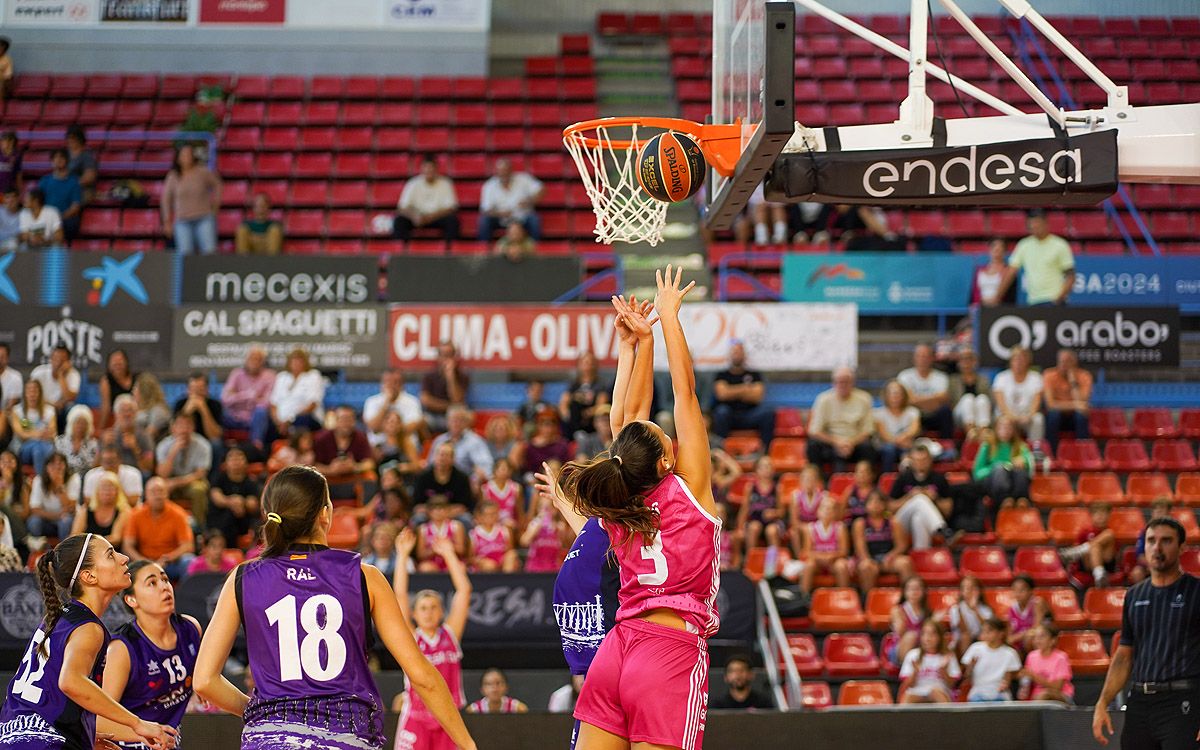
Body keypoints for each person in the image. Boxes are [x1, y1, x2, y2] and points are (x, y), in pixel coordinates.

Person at [551, 266, 720, 750]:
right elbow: (684, 394)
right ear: (667, 458)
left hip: (616, 650)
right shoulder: (689, 490)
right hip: (668, 653)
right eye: (667, 436)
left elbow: (626, 419)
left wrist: (638, 345)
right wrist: (668, 319)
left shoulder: (620, 492)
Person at [194, 466, 475, 750]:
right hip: (346, 738)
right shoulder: (365, 576)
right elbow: (422, 677)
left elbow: (204, 680)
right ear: (325, 514)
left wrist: (262, 714)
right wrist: (469, 745)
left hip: (269, 738)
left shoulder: (243, 577)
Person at [0, 533, 176, 749]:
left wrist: (87, 733)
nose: (124, 558)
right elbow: (71, 682)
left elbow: (48, 692)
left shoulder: (58, 618)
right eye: (111, 555)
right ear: (89, 576)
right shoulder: (89, 628)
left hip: (12, 735)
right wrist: (137, 724)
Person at [1093, 517, 1200, 748]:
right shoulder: (1134, 595)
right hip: (1140, 702)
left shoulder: (1196, 591)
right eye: (1151, 541)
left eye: (1166, 541)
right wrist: (1103, 702)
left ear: (1182, 547)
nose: (1157, 547)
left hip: (1182, 701)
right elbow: (1123, 656)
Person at [98, 560, 202, 747]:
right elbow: (98, 720)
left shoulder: (191, 628)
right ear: (132, 600)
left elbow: (206, 680)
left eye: (165, 579)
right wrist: (146, 733)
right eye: (152, 583)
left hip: (166, 741)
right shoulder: (122, 649)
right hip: (130, 742)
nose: (164, 587)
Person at [392, 521, 473, 750]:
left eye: (433, 607)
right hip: (416, 717)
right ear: (415, 614)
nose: (428, 612)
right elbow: (399, 595)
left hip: (449, 717)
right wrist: (403, 556)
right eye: (423, 608)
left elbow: (464, 590)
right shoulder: (412, 638)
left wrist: (448, 554)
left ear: (441, 612)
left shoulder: (450, 634)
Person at [806, 366, 877, 472]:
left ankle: (867, 484)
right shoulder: (823, 399)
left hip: (855, 443)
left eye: (846, 381)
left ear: (853, 382)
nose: (842, 385)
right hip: (830, 443)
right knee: (812, 446)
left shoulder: (864, 399)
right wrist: (837, 442)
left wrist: (850, 443)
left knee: (869, 448)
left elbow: (868, 430)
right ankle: (819, 481)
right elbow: (814, 431)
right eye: (839, 381)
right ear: (833, 383)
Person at [123, 477, 194, 581]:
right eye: (153, 492)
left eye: (161, 491)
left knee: (188, 561)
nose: (158, 496)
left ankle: (185, 596)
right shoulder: (135, 515)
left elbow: (188, 546)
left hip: (170, 563)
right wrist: (144, 561)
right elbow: (127, 546)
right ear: (146, 495)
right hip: (143, 562)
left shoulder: (178, 514)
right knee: (124, 564)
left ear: (167, 494)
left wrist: (167, 558)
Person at [888, 444, 957, 550]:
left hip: (926, 522)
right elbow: (890, 508)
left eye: (924, 460)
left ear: (930, 460)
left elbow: (948, 511)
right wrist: (910, 497)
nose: (920, 463)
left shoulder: (939, 479)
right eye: (917, 460)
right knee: (920, 499)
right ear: (911, 461)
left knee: (918, 518)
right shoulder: (903, 478)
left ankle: (921, 555)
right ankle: (942, 530)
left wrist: (935, 498)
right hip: (902, 522)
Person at [1000, 209, 1075, 306]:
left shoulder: (1060, 245)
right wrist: (997, 297)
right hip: (1033, 302)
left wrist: (1058, 298)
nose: (1034, 226)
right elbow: (1011, 272)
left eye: (1037, 223)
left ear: (1046, 223)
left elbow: (1070, 276)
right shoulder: (1024, 245)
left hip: (1054, 301)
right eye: (1031, 224)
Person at [710, 341, 774, 448]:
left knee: (767, 413)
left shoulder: (754, 375)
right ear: (730, 355)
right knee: (721, 412)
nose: (737, 354)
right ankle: (720, 450)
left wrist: (731, 391)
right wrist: (746, 389)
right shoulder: (722, 375)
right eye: (735, 352)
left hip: (750, 415)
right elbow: (722, 394)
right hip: (729, 415)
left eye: (740, 352)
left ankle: (765, 451)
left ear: (744, 354)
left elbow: (758, 396)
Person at [257, 348, 325, 446]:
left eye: (300, 360)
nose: (296, 363)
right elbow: (273, 404)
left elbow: (312, 404)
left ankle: (298, 453)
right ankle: (266, 454)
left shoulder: (313, 376)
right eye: (294, 360)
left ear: (306, 362)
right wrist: (278, 421)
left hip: (304, 418)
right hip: (281, 421)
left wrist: (290, 420)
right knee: (266, 423)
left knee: (302, 421)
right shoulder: (282, 377)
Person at [161, 144, 221, 255]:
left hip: (204, 217)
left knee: (209, 252)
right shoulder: (173, 176)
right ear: (178, 158)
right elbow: (166, 200)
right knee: (185, 255)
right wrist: (166, 220)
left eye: (189, 154)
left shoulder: (202, 172)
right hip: (182, 220)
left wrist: (216, 205)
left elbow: (217, 184)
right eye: (183, 154)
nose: (186, 157)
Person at [852, 489, 913, 594]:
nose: (875, 504)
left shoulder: (893, 522)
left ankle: (906, 599)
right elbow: (860, 547)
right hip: (870, 558)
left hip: (888, 558)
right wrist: (868, 560)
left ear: (885, 505)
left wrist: (891, 555)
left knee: (905, 563)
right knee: (865, 567)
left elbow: (901, 546)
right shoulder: (860, 523)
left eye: (879, 501)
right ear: (866, 505)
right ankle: (868, 601)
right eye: (872, 501)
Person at [155, 415, 212, 525]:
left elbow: (200, 474)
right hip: (169, 482)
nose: (184, 429)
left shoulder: (203, 445)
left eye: (188, 425)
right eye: (180, 425)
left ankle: (198, 527)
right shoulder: (163, 445)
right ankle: (165, 525)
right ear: (173, 428)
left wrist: (176, 482)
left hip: (191, 481)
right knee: (159, 489)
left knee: (199, 489)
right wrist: (172, 453)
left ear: (193, 428)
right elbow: (162, 474)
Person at [973, 417, 1034, 517]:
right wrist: (994, 467)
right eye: (1002, 427)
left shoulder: (1021, 446)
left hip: (1015, 484)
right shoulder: (987, 446)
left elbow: (1031, 467)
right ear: (996, 429)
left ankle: (1022, 500)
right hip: (994, 485)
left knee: (1020, 471)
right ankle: (1004, 501)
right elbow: (977, 473)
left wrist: (1025, 462)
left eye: (1009, 427)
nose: (1005, 430)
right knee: (999, 469)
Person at [393, 155, 459, 242]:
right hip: (417, 217)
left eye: (431, 167)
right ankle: (403, 251)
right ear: (421, 169)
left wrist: (430, 217)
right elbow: (402, 207)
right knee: (399, 221)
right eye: (426, 167)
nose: (429, 170)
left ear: (436, 169)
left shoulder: (445, 183)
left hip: (437, 217)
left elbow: (451, 208)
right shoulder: (413, 183)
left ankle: (448, 251)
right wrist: (415, 216)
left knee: (452, 221)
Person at [207, 447, 261, 550]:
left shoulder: (251, 481)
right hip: (220, 520)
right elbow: (216, 497)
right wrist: (232, 502)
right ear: (225, 463)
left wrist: (242, 502)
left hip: (242, 521)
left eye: (239, 457)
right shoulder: (219, 478)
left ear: (246, 463)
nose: (236, 461)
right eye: (232, 458)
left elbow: (253, 504)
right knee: (228, 515)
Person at [897, 344, 954, 440]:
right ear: (914, 358)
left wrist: (917, 400)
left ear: (932, 358)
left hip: (935, 414)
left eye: (925, 356)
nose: (922, 359)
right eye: (919, 356)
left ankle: (947, 443)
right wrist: (933, 399)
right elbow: (907, 400)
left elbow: (943, 398)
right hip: (915, 415)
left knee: (945, 411)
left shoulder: (941, 377)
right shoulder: (905, 376)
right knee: (911, 412)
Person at [478, 157, 543, 241]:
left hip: (522, 217)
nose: (504, 173)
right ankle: (483, 249)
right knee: (484, 221)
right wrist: (499, 213)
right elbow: (485, 210)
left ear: (511, 170)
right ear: (496, 172)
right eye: (501, 171)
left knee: (534, 219)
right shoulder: (489, 185)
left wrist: (530, 201)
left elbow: (541, 189)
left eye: (506, 170)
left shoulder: (523, 179)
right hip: (500, 219)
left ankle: (536, 249)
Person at [1041, 349, 1092, 453]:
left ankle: (1083, 453)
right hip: (1056, 418)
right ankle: (1052, 453)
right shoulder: (1049, 375)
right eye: (1062, 361)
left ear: (1075, 362)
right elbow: (1050, 405)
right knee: (1054, 415)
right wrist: (1076, 405)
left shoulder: (1084, 376)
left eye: (1068, 361)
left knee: (1081, 416)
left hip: (1074, 418)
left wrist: (1073, 381)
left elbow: (1082, 403)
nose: (1065, 365)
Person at [899, 620, 961, 704]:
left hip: (940, 690)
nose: (927, 638)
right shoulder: (913, 655)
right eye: (924, 634)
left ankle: (947, 716)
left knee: (935, 693)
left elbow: (951, 685)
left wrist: (943, 671)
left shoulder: (948, 656)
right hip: (917, 691)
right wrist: (915, 672)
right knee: (908, 697)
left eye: (932, 634)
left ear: (939, 637)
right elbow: (907, 685)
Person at [992, 346, 1044, 445]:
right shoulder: (1001, 377)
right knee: (1004, 421)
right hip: (1006, 415)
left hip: (1027, 416)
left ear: (1028, 361)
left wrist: (1029, 416)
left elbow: (1036, 403)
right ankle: (1004, 449)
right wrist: (1011, 417)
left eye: (1022, 359)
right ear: (1011, 361)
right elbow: (1001, 405)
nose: (1019, 362)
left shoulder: (1035, 378)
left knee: (1038, 419)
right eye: (1016, 359)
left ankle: (1036, 448)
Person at [961, 617, 1022, 702]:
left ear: (1001, 634)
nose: (985, 634)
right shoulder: (975, 648)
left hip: (999, 694)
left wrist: (1004, 686)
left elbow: (1007, 680)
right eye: (984, 631)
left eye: (989, 631)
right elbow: (967, 677)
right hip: (978, 693)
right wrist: (971, 667)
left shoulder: (1010, 653)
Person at [798, 498, 851, 595]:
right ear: (818, 511)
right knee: (809, 565)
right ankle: (803, 596)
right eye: (824, 508)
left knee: (841, 566)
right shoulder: (810, 528)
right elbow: (806, 552)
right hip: (817, 562)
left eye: (831, 509)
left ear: (835, 513)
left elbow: (844, 551)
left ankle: (843, 596)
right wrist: (821, 557)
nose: (827, 511)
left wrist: (831, 556)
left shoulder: (840, 527)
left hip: (833, 561)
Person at [1059, 502, 1118, 589]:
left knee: (1108, 535)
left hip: (1107, 564)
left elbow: (1112, 554)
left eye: (1104, 513)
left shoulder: (1109, 532)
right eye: (1097, 514)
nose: (1100, 517)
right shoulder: (1085, 532)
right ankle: (1099, 575)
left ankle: (1082, 550)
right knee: (1095, 547)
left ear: (1109, 515)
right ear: (1092, 516)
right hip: (1087, 563)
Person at [24, 452, 79, 542]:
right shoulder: (39, 480)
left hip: (66, 520)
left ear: (66, 466)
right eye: (53, 463)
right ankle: (38, 548)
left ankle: (64, 551)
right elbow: (34, 509)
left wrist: (59, 486)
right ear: (46, 467)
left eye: (60, 463)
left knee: (66, 521)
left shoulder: (73, 478)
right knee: (33, 521)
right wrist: (57, 516)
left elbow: (71, 508)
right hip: (47, 520)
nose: (57, 467)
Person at [220, 345, 276, 434]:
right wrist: (248, 395)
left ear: (263, 362)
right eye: (252, 358)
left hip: (257, 418)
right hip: (235, 417)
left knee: (260, 412)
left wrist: (236, 396)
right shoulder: (236, 374)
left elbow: (267, 402)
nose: (255, 362)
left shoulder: (269, 376)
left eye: (258, 359)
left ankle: (256, 445)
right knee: (220, 413)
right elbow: (225, 399)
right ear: (246, 360)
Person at [430, 406, 493, 483]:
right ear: (447, 422)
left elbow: (485, 467)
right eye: (453, 420)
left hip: (465, 483)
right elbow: (430, 465)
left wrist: (474, 480)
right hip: (440, 481)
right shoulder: (439, 440)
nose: (457, 423)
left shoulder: (475, 441)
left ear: (467, 423)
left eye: (461, 420)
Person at [363, 369, 423, 450]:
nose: (391, 385)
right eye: (387, 382)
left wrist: (385, 429)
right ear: (382, 384)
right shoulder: (371, 401)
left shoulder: (412, 401)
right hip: (378, 448)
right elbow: (373, 426)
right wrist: (386, 402)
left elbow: (412, 427)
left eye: (395, 382)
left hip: (405, 446)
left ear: (402, 385)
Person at [313, 405, 376, 481]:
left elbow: (370, 463)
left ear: (354, 421)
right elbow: (312, 466)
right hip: (327, 480)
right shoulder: (321, 438)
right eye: (343, 419)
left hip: (352, 480)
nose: (346, 423)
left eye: (349, 419)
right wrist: (330, 469)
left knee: (370, 476)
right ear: (336, 420)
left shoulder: (360, 437)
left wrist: (354, 467)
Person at [70, 471, 131, 549]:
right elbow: (74, 535)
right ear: (97, 491)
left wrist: (89, 543)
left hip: (111, 551)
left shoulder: (124, 510)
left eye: (111, 488)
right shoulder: (85, 509)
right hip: (87, 551)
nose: (107, 491)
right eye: (103, 487)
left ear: (118, 491)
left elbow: (116, 539)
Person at [735, 455, 783, 555]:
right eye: (764, 466)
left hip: (772, 522)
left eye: (769, 466)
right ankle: (750, 561)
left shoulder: (777, 488)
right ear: (757, 470)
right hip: (755, 520)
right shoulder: (751, 487)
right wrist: (739, 528)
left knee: (772, 531)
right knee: (754, 528)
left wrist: (774, 513)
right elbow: (744, 509)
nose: (766, 469)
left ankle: (772, 566)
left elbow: (781, 511)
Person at [1018, 623, 1073, 704]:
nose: (1037, 640)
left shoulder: (1061, 658)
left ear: (1052, 640)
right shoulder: (1031, 656)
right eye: (1035, 637)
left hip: (1060, 696)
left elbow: (1057, 687)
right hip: (1036, 697)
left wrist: (1034, 676)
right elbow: (1027, 680)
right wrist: (1024, 689)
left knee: (1045, 695)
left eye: (1042, 637)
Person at [413, 444, 476, 515]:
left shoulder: (462, 478)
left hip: (453, 513)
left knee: (466, 519)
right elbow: (417, 505)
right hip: (429, 513)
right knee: (418, 518)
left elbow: (464, 505)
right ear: (434, 457)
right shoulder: (422, 477)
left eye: (446, 455)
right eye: (440, 455)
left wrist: (445, 513)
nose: (442, 458)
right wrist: (434, 513)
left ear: (453, 459)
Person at [559, 352, 609, 441]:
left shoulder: (600, 385)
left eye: (590, 363)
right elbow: (564, 403)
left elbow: (601, 404)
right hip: (575, 418)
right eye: (585, 362)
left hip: (591, 419)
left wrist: (587, 413)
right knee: (575, 404)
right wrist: (567, 415)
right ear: (579, 365)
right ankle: (576, 432)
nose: (588, 366)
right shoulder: (574, 385)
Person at [874, 379, 922, 473]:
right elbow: (884, 436)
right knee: (889, 449)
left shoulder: (912, 411)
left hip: (907, 445)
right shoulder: (878, 413)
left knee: (912, 449)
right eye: (892, 393)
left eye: (898, 393)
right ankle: (886, 476)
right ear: (886, 395)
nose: (895, 396)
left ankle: (908, 473)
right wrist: (899, 441)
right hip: (886, 447)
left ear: (904, 395)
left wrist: (903, 438)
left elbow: (914, 430)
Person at [420, 342, 469, 433]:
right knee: (420, 421)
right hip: (432, 416)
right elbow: (426, 400)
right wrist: (450, 406)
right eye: (444, 355)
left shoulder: (462, 377)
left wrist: (451, 377)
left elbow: (457, 399)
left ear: (455, 357)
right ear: (438, 357)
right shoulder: (429, 376)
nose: (447, 359)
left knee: (469, 417)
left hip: (454, 418)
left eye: (450, 355)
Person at [10, 379, 55, 474]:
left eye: (35, 390)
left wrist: (32, 433)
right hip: (24, 448)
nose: (32, 394)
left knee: (47, 448)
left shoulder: (50, 411)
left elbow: (52, 434)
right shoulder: (17, 411)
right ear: (25, 393)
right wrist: (40, 433)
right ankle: (41, 480)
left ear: (40, 393)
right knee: (37, 448)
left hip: (46, 445)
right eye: (29, 391)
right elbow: (21, 434)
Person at [30, 345, 79, 431]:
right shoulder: (39, 372)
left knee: (71, 408)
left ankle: (65, 438)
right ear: (51, 359)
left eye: (62, 359)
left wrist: (61, 375)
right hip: (41, 407)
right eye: (56, 358)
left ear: (68, 362)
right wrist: (52, 404)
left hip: (61, 411)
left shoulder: (74, 374)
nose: (58, 362)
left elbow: (70, 397)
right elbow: (31, 395)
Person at [37, 149, 82, 242]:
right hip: (46, 218)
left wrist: (57, 218)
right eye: (55, 158)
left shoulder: (74, 182)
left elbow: (75, 207)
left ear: (67, 161)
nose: (58, 160)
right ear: (52, 162)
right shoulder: (44, 181)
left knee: (68, 225)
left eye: (61, 157)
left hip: (65, 219)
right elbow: (37, 203)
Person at [521, 487, 569, 573]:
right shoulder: (534, 524)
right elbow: (524, 542)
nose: (545, 511)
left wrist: (560, 531)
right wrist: (535, 529)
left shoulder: (559, 527)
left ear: (555, 510)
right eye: (541, 508)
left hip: (554, 567)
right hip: (535, 567)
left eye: (548, 508)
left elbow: (565, 546)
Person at [945, 575, 994, 657]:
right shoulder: (956, 609)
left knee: (986, 636)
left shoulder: (986, 609)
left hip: (980, 639)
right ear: (962, 591)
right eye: (967, 588)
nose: (970, 591)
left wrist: (975, 610)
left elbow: (989, 628)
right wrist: (960, 611)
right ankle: (965, 665)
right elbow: (963, 630)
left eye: (973, 588)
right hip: (961, 642)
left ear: (979, 591)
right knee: (966, 636)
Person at [83, 442, 143, 508]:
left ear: (120, 460)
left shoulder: (133, 474)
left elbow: (133, 502)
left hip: (128, 511)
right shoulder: (92, 475)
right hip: (101, 511)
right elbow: (88, 502)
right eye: (105, 461)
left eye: (111, 461)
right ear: (101, 462)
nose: (109, 464)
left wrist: (114, 481)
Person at [416, 496, 468, 572]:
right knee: (424, 567)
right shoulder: (423, 529)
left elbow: (462, 550)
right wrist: (434, 550)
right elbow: (420, 554)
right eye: (434, 509)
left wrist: (447, 546)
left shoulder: (456, 526)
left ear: (448, 511)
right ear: (429, 512)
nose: (438, 512)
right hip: (433, 563)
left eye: (442, 508)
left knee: (461, 566)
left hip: (452, 561)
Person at [949, 349, 991, 438]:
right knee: (968, 398)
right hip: (960, 414)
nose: (966, 362)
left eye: (969, 359)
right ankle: (971, 433)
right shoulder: (953, 380)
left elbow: (988, 401)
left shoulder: (984, 379)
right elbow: (951, 402)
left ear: (975, 362)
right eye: (963, 359)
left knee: (982, 398)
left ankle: (983, 432)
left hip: (979, 413)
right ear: (959, 362)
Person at [172, 372, 224, 445]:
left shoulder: (215, 404)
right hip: (186, 438)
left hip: (207, 440)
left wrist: (204, 410)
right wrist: (187, 411)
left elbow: (214, 435)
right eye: (193, 389)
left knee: (216, 444)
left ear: (207, 389)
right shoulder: (180, 403)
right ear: (188, 390)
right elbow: (173, 432)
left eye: (200, 389)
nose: (196, 393)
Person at [889, 575, 929, 666]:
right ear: (905, 592)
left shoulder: (926, 612)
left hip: (921, 646)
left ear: (923, 591)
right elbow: (900, 633)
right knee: (911, 636)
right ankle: (906, 670)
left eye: (917, 589)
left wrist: (934, 621)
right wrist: (900, 621)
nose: (914, 592)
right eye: (911, 589)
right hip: (900, 648)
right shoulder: (898, 610)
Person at [522, 410, 571, 483]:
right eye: (545, 425)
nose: (548, 430)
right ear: (538, 427)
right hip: (537, 480)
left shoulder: (562, 444)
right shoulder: (531, 446)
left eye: (551, 425)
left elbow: (567, 467)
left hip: (559, 480)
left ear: (555, 427)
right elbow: (528, 469)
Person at [469, 500, 518, 573]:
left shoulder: (504, 531)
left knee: (511, 555)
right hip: (484, 566)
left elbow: (509, 550)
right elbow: (470, 558)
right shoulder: (474, 534)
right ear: (480, 516)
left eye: (494, 514)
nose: (491, 517)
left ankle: (507, 581)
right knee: (489, 566)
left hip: (502, 564)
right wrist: (482, 562)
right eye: (488, 514)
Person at [709, 655, 774, 710]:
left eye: (742, 670)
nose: (737, 675)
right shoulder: (718, 706)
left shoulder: (763, 704)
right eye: (732, 671)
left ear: (751, 675)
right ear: (726, 677)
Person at [1006, 574, 1050, 652]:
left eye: (1022, 590)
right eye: (1015, 590)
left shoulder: (1037, 603)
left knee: (1030, 638)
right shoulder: (1012, 608)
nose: (1018, 593)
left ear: (1031, 591)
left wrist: (1017, 637)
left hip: (1038, 638)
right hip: (1020, 641)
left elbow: (1037, 627)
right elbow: (1010, 632)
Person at [50, 404, 94, 477]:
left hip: (85, 478)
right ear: (71, 423)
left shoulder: (93, 444)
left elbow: (93, 467)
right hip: (64, 477)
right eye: (78, 422)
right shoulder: (60, 441)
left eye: (84, 423)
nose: (81, 426)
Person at [971, 239, 1018, 307]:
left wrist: (994, 301)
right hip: (980, 307)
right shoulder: (979, 270)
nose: (997, 250)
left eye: (1000, 248)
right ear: (989, 249)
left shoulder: (1008, 272)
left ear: (1004, 251)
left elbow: (1011, 296)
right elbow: (974, 293)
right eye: (994, 247)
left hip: (1000, 308)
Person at [97, 350, 136, 431]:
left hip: (134, 417)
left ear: (126, 362)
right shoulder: (106, 381)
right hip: (116, 419)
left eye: (120, 360)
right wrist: (100, 430)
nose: (118, 364)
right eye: (114, 361)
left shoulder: (137, 379)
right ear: (109, 365)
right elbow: (105, 407)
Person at [64, 126, 97, 205]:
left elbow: (89, 177)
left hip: (82, 190)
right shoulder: (64, 155)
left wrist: (70, 185)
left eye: (72, 138)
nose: (69, 140)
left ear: (79, 139)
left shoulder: (87, 156)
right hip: (65, 187)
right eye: (68, 138)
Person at [132, 373, 170, 441]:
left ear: (144, 392)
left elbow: (149, 435)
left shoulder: (158, 410)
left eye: (135, 388)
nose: (132, 391)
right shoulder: (136, 408)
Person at [840, 459, 876, 523]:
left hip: (870, 526)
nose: (861, 475)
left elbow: (885, 512)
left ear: (872, 474)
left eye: (864, 472)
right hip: (852, 524)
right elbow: (841, 511)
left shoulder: (876, 492)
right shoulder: (850, 491)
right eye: (858, 471)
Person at [0, 131, 23, 196]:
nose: (6, 144)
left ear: (13, 143)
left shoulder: (17, 156)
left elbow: (18, 175)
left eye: (9, 141)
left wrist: (19, 191)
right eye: (4, 141)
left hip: (8, 191)